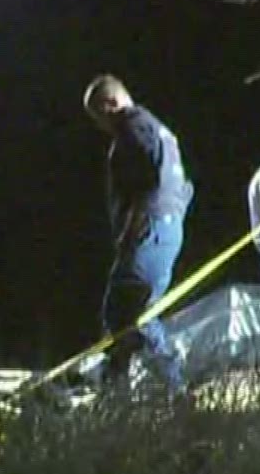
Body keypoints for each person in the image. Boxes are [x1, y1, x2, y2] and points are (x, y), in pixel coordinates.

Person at [83, 74, 194, 390]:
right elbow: (183, 186)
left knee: (128, 309)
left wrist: (134, 227)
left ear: (111, 104)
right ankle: (125, 391)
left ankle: (170, 390)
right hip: (164, 229)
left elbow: (149, 182)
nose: (101, 127)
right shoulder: (158, 129)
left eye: (98, 117)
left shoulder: (133, 127)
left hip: (150, 232)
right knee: (131, 312)